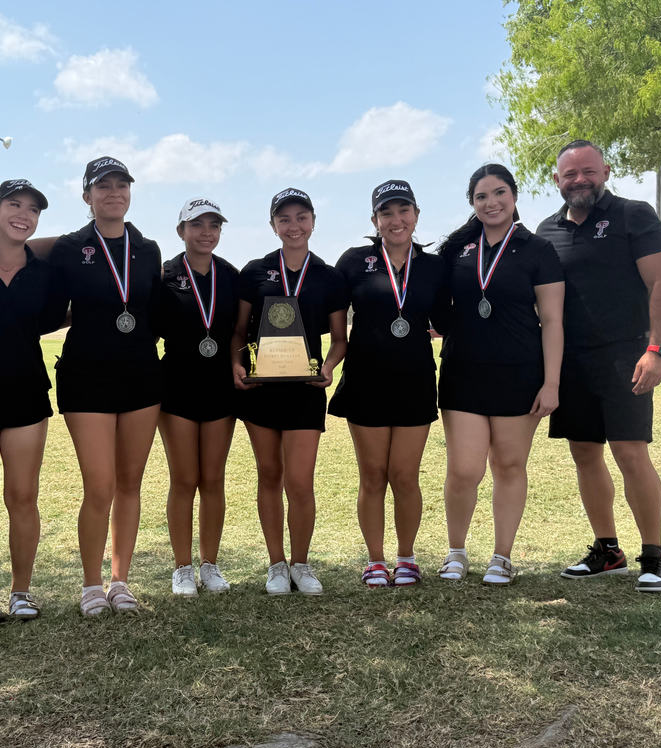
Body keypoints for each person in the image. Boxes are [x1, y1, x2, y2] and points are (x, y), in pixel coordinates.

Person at [535, 140, 661, 593]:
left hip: (625, 355)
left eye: (587, 171)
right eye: (569, 174)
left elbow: (660, 285)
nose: (579, 180)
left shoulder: (635, 216)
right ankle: (607, 550)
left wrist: (655, 350)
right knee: (584, 454)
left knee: (631, 453)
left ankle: (653, 556)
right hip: (572, 361)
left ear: (606, 171)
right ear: (556, 180)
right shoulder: (546, 230)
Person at [436, 164, 565, 586]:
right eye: (481, 196)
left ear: (514, 195)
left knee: (509, 465)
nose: (491, 203)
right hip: (463, 375)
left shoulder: (537, 249)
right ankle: (456, 552)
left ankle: (501, 556)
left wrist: (551, 383)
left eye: (499, 193)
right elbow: (434, 306)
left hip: (519, 375)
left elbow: (552, 320)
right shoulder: (456, 249)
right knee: (464, 470)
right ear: (471, 203)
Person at [48, 157, 162, 616]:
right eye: (103, 187)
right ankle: (91, 585)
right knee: (100, 485)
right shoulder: (69, 247)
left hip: (140, 376)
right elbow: (53, 311)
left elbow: (154, 311)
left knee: (130, 483)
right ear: (87, 196)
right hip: (86, 377)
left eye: (121, 185)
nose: (113, 193)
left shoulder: (148, 247)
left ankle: (120, 581)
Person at [329, 180, 451, 588]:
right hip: (365, 380)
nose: (396, 220)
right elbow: (323, 311)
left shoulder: (433, 266)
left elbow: (448, 319)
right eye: (386, 213)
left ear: (416, 215)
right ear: (375, 220)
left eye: (403, 211)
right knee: (373, 475)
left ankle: (406, 557)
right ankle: (376, 560)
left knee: (404, 475)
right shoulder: (353, 261)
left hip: (415, 380)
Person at [230, 188, 348, 595]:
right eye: (284, 219)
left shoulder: (329, 276)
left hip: (305, 390)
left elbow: (338, 338)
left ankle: (301, 563)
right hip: (262, 391)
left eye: (301, 217)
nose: (293, 226)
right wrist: (237, 363)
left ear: (313, 221)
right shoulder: (255, 271)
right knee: (269, 476)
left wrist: (328, 368)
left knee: (300, 481)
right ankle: (276, 564)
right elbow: (239, 331)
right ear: (273, 225)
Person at [0, 179, 65, 622]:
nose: (24, 214)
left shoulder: (45, 273)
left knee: (23, 496)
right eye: (14, 205)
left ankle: (21, 592)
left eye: (33, 209)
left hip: (25, 392)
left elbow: (56, 319)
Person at [157, 198, 240, 597]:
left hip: (220, 388)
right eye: (197, 225)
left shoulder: (231, 276)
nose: (207, 232)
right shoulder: (165, 275)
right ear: (181, 231)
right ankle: (182, 567)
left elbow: (241, 335)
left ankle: (209, 564)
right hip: (176, 387)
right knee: (184, 478)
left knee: (213, 479)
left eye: (214, 225)